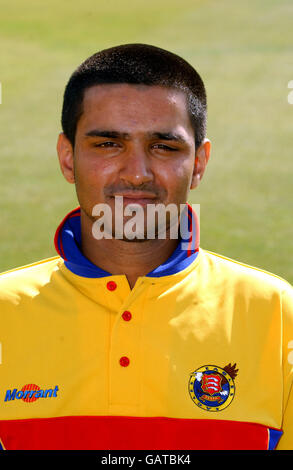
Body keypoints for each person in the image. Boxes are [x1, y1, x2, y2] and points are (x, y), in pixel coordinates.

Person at [0, 43, 292, 451]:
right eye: (107, 144)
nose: (136, 174)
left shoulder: (278, 315)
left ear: (200, 163)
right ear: (68, 158)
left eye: (164, 147)